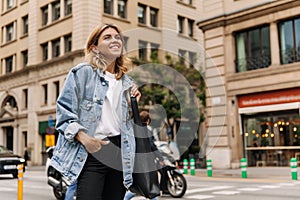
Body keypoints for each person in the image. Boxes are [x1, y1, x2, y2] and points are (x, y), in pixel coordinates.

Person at [50, 23, 141, 200]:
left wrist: (133, 106)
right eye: (107, 37)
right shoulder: (82, 73)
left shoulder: (127, 82)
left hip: (120, 153)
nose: (114, 40)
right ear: (95, 47)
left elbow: (125, 124)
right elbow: (63, 113)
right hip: (92, 151)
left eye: (117, 37)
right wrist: (85, 139)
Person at [124, 111, 164, 200]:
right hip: (145, 161)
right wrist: (160, 157)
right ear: (148, 120)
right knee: (150, 183)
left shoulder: (132, 129)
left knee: (136, 184)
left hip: (134, 160)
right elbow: (151, 145)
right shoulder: (146, 129)